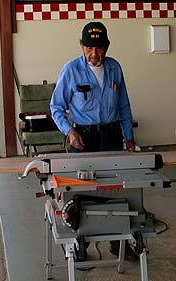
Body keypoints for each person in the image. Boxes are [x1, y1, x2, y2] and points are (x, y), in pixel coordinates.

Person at [50, 21, 136, 259]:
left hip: (111, 135)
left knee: (115, 188)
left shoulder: (114, 68)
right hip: (83, 138)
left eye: (98, 48)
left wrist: (129, 137)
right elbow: (56, 107)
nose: (94, 53)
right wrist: (69, 131)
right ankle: (81, 245)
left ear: (106, 47)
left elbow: (124, 105)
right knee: (82, 192)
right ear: (81, 46)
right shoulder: (71, 70)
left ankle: (119, 242)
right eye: (89, 47)